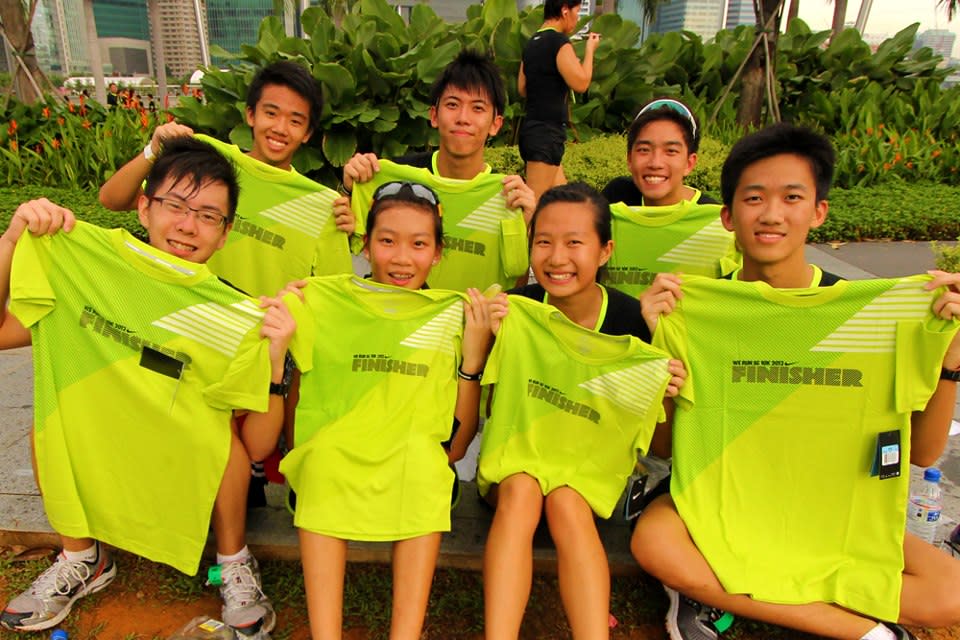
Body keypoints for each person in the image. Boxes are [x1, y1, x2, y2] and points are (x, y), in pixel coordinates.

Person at [631, 123, 960, 640]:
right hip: (722, 504)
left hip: (827, 513)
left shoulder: (869, 317)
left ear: (818, 212)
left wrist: (950, 358)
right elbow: (665, 446)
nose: (771, 214)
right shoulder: (694, 310)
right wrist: (657, 354)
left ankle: (724, 593)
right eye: (755, 198)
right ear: (728, 216)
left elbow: (921, 452)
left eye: (792, 197)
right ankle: (864, 631)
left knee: (950, 593)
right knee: (654, 542)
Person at [0, 137, 295, 635]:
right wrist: (10, 242)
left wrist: (274, 358)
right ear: (144, 207)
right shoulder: (87, 272)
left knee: (224, 442)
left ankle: (233, 562)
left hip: (180, 471)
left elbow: (260, 445)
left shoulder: (229, 311)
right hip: (103, 451)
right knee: (48, 421)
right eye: (175, 206)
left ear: (225, 235)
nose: (187, 225)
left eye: (207, 215)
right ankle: (83, 556)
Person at [279, 181, 494, 640]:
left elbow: (456, 447)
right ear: (365, 244)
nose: (401, 258)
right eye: (387, 240)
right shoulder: (324, 302)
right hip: (337, 455)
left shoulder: (454, 317)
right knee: (322, 462)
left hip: (414, 463)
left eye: (419, 244)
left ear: (438, 254)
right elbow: (301, 406)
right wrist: (292, 310)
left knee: (423, 467)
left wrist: (472, 361)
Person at [481, 183, 686, 639]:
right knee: (521, 487)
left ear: (605, 250)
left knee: (568, 498)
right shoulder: (517, 312)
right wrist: (489, 339)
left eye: (575, 243)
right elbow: (497, 409)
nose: (557, 258)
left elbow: (661, 446)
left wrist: (664, 383)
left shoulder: (635, 325)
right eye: (544, 242)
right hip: (515, 468)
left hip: (588, 481)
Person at [99, 59, 356, 299]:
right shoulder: (209, 164)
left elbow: (335, 297)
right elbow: (112, 199)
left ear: (307, 133)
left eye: (295, 120)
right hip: (181, 316)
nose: (280, 128)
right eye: (271, 113)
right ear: (251, 115)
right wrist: (152, 151)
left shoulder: (322, 206)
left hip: (259, 337)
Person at [341, 49, 536, 292]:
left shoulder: (506, 198)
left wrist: (525, 227)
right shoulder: (395, 182)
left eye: (477, 108)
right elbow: (346, 244)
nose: (463, 118)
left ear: (496, 124)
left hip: (472, 328)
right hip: (402, 323)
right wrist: (349, 189)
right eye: (453, 105)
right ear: (434, 115)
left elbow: (514, 287)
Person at [597, 98, 738, 297]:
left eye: (670, 151)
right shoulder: (615, 199)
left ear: (690, 163)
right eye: (644, 150)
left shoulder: (716, 225)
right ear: (629, 159)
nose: (655, 162)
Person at [517, 0, 599, 199]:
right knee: (533, 207)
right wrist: (590, 51)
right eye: (577, 12)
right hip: (546, 134)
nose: (577, 18)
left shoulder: (532, 43)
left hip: (534, 131)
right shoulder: (559, 42)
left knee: (563, 200)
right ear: (564, 11)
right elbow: (581, 82)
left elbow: (522, 88)